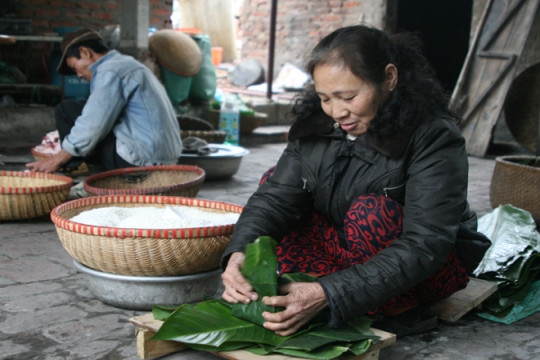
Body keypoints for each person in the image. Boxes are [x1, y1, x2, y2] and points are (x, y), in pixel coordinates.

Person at [220, 25, 491, 337]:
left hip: (427, 267)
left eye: (348, 96)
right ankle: (338, 289)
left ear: (388, 78)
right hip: (350, 251)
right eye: (325, 98)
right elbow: (275, 200)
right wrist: (240, 252)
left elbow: (427, 243)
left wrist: (327, 293)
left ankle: (399, 309)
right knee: (277, 188)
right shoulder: (317, 127)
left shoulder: (433, 136)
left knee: (371, 213)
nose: (337, 111)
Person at [26, 28, 182, 173]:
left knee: (65, 110)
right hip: (166, 159)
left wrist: (59, 159)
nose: (78, 75)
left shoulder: (110, 70)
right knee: (80, 111)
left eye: (74, 67)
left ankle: (92, 177)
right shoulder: (127, 64)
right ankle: (79, 168)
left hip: (140, 162)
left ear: (85, 52)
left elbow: (93, 123)